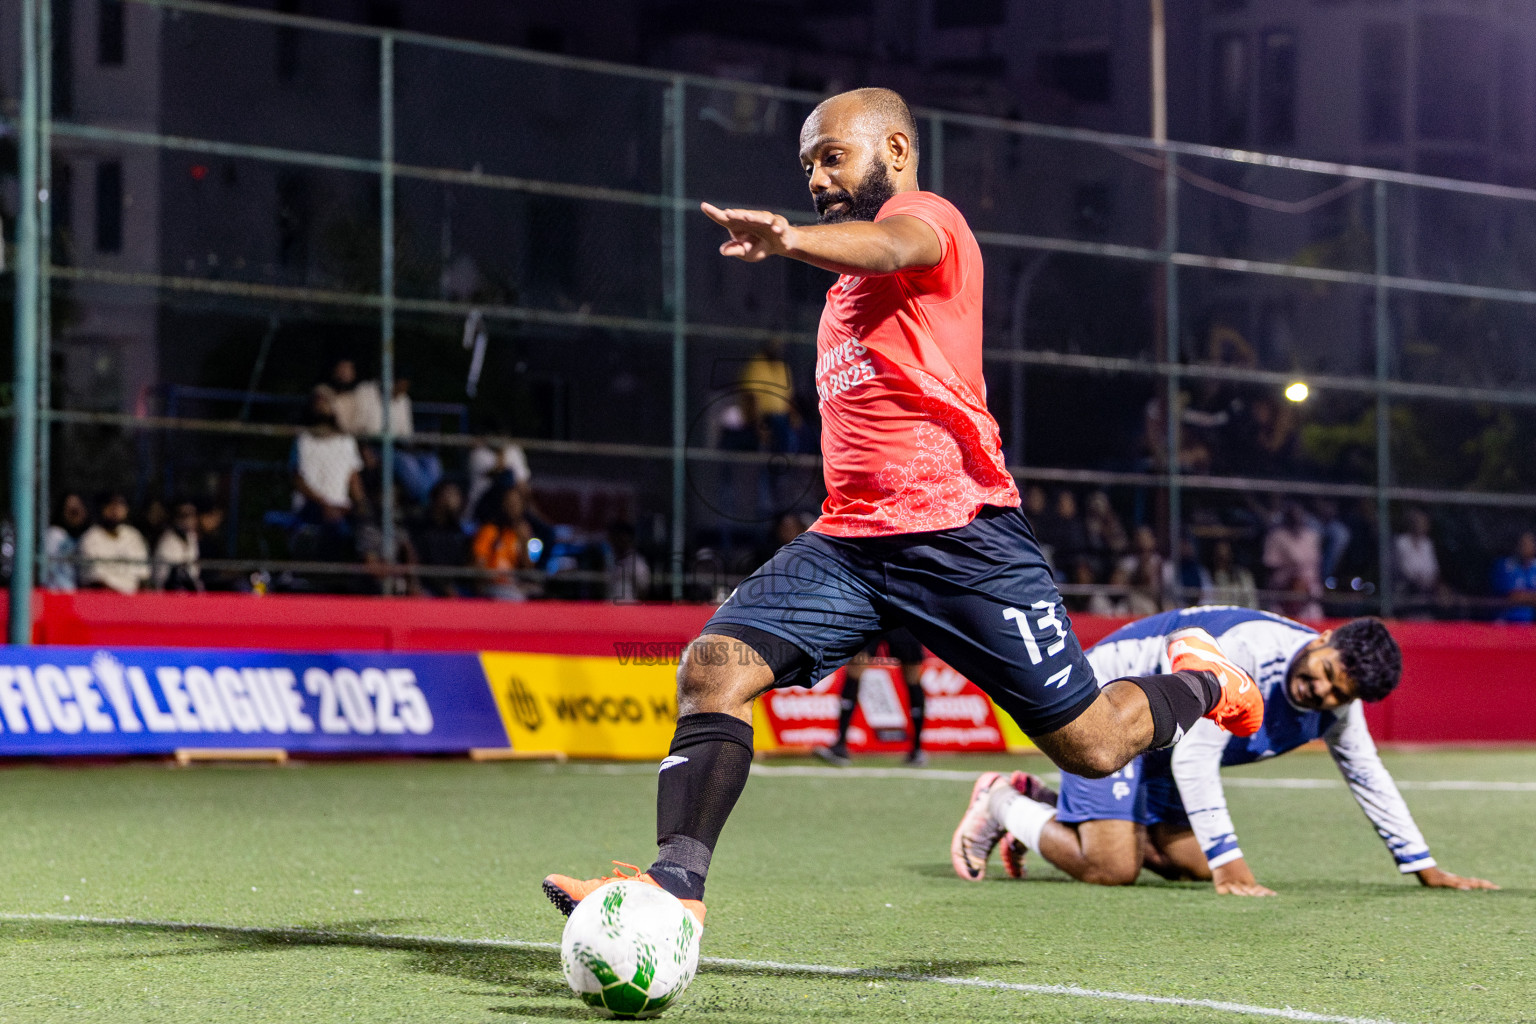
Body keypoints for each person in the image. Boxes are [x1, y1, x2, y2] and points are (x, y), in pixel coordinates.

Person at [541, 87, 1264, 926]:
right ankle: (675, 891)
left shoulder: (931, 221)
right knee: (711, 671)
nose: (815, 178)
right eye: (807, 165)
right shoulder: (843, 290)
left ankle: (1203, 679)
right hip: (850, 544)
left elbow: (890, 244)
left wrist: (790, 239)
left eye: (831, 157)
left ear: (894, 146)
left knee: (1095, 746)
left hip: (964, 536)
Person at [968, 607, 1497, 895]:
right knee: (1113, 868)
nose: (1324, 693)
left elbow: (1369, 778)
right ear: (1323, 637)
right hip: (1109, 706)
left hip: (1164, 737)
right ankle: (1001, 803)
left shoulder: (1337, 708)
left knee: (1191, 866)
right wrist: (1232, 865)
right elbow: (1195, 760)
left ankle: (1051, 805)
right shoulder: (1248, 651)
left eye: (1341, 693)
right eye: (1328, 674)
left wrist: (1424, 867)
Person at [812, 628, 930, 767]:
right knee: (855, 668)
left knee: (912, 676)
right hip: (875, 617)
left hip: (902, 618)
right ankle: (840, 747)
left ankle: (917, 749)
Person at [291, 388, 366, 563]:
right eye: (317, 402)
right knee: (332, 525)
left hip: (341, 507)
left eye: (325, 402)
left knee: (367, 526)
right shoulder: (303, 440)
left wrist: (361, 505)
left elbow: (353, 478)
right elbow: (298, 480)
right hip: (311, 506)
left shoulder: (346, 441)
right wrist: (324, 503)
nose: (321, 406)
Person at [409, 481, 474, 597]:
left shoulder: (459, 531)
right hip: (429, 587)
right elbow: (422, 564)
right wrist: (444, 588)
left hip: (457, 588)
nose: (454, 500)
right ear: (437, 498)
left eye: (457, 496)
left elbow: (463, 566)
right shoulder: (421, 528)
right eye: (450, 495)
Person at [78, 491, 150, 595]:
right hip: (102, 601)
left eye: (120, 504)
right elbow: (95, 582)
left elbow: (143, 577)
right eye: (110, 504)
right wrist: (121, 601)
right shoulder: (90, 538)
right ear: (101, 508)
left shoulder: (133, 535)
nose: (115, 509)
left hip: (134, 602)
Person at [473, 485, 537, 601]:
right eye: (509, 503)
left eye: (517, 504)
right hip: (492, 586)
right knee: (515, 598)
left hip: (514, 585)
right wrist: (498, 578)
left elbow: (528, 570)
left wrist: (524, 542)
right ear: (502, 505)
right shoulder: (489, 531)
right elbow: (479, 565)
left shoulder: (520, 533)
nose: (513, 508)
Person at [1263, 502, 1322, 619]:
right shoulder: (1276, 536)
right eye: (1293, 515)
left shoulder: (1312, 536)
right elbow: (1270, 565)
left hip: (1309, 596)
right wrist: (1291, 578)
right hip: (1284, 594)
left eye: (1299, 515)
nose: (1296, 518)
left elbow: (1316, 565)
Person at [1393, 507, 1442, 613]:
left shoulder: (1427, 543)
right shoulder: (1402, 542)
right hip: (1407, 589)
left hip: (1428, 590)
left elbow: (1433, 568)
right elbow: (1403, 568)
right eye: (1420, 522)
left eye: (1425, 522)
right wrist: (1417, 579)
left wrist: (1428, 580)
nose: (1423, 525)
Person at [43, 492, 90, 592]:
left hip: (82, 595)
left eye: (77, 511)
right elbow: (48, 568)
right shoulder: (54, 534)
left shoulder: (89, 537)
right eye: (71, 511)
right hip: (57, 592)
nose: (75, 515)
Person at [153, 499, 203, 592]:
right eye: (185, 516)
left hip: (190, 587)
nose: (190, 520)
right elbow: (166, 576)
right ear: (176, 518)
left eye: (192, 515)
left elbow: (194, 571)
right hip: (168, 590)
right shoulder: (167, 540)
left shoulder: (191, 537)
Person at [1493, 530, 1536, 624]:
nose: (1528, 546)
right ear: (1517, 545)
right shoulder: (1505, 565)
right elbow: (1513, 597)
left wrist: (1526, 597)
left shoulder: (1534, 567)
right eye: (1524, 543)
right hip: (1506, 622)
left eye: (1531, 542)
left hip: (1529, 623)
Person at [607, 521, 652, 603]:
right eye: (613, 538)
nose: (616, 542)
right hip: (610, 609)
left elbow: (644, 591)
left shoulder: (638, 563)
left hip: (630, 609)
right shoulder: (610, 560)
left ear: (629, 539)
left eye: (620, 538)